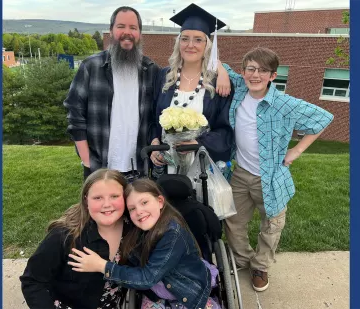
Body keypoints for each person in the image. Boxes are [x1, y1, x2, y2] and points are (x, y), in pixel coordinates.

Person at [218, 47, 334, 292]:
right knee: (233, 220)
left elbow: (323, 119)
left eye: (262, 70)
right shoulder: (239, 88)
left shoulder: (285, 104)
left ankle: (260, 266)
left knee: (271, 224)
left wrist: (296, 151)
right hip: (240, 173)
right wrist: (219, 70)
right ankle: (243, 259)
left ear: (273, 75)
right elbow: (219, 65)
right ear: (243, 71)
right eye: (251, 69)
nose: (255, 75)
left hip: (271, 177)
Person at [68, 178, 220, 309]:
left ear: (160, 202)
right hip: (157, 291)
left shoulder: (172, 234)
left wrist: (102, 266)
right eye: (132, 208)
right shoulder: (139, 229)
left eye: (144, 202)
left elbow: (146, 279)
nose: (139, 211)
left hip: (187, 291)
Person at [63, 6, 160, 181]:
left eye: (133, 27)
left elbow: (156, 115)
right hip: (100, 169)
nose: (127, 32)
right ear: (111, 30)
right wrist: (87, 161)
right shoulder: (91, 67)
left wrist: (223, 70)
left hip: (139, 169)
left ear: (139, 33)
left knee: (138, 210)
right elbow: (75, 116)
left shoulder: (150, 70)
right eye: (121, 26)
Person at [20, 169, 132, 309]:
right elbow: (32, 281)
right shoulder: (64, 235)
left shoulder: (133, 230)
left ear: (125, 197)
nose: (107, 204)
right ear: (86, 200)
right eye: (98, 198)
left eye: (114, 196)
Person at [149, 3, 234, 171]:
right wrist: (154, 142)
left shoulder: (218, 82)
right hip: (166, 165)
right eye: (185, 38)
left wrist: (197, 143)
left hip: (201, 168)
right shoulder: (164, 76)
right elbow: (152, 117)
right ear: (178, 42)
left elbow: (225, 130)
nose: (190, 45)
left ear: (207, 45)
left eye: (198, 39)